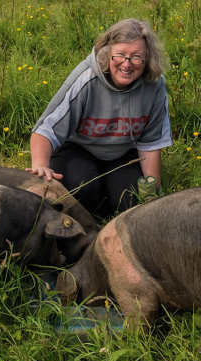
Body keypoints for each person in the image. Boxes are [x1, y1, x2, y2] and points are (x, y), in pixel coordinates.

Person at [28, 18, 171, 219]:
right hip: (79, 150)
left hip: (123, 154)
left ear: (148, 59)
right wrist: (41, 165)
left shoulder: (154, 86)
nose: (127, 64)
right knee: (83, 188)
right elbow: (46, 129)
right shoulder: (86, 79)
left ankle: (109, 198)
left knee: (131, 202)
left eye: (136, 57)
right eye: (120, 55)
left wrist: (152, 189)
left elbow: (150, 143)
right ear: (107, 53)